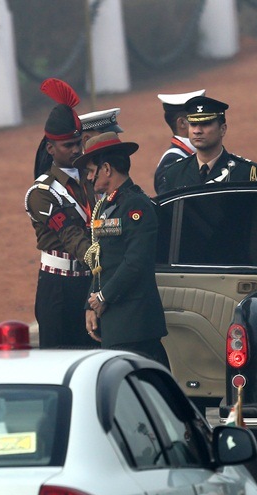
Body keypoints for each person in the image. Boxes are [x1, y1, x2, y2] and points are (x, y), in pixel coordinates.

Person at [75, 132, 170, 368]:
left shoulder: (135, 204)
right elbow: (101, 258)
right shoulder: (107, 205)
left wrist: (103, 297)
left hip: (135, 324)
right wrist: (91, 304)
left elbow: (136, 261)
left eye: (91, 170)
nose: (88, 176)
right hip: (117, 322)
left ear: (106, 169)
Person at [25, 78, 97, 348]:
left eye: (78, 142)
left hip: (88, 280)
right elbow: (70, 234)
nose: (77, 150)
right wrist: (103, 259)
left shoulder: (92, 178)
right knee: (58, 359)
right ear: (51, 148)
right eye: (68, 145)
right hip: (57, 288)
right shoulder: (41, 192)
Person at [156, 95, 257, 194]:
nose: (197, 131)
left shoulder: (246, 173)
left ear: (222, 129)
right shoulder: (175, 173)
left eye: (205, 124)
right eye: (193, 124)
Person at [154, 89, 205, 194]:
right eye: (197, 120)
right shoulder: (172, 160)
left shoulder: (196, 152)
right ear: (182, 123)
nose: (204, 125)